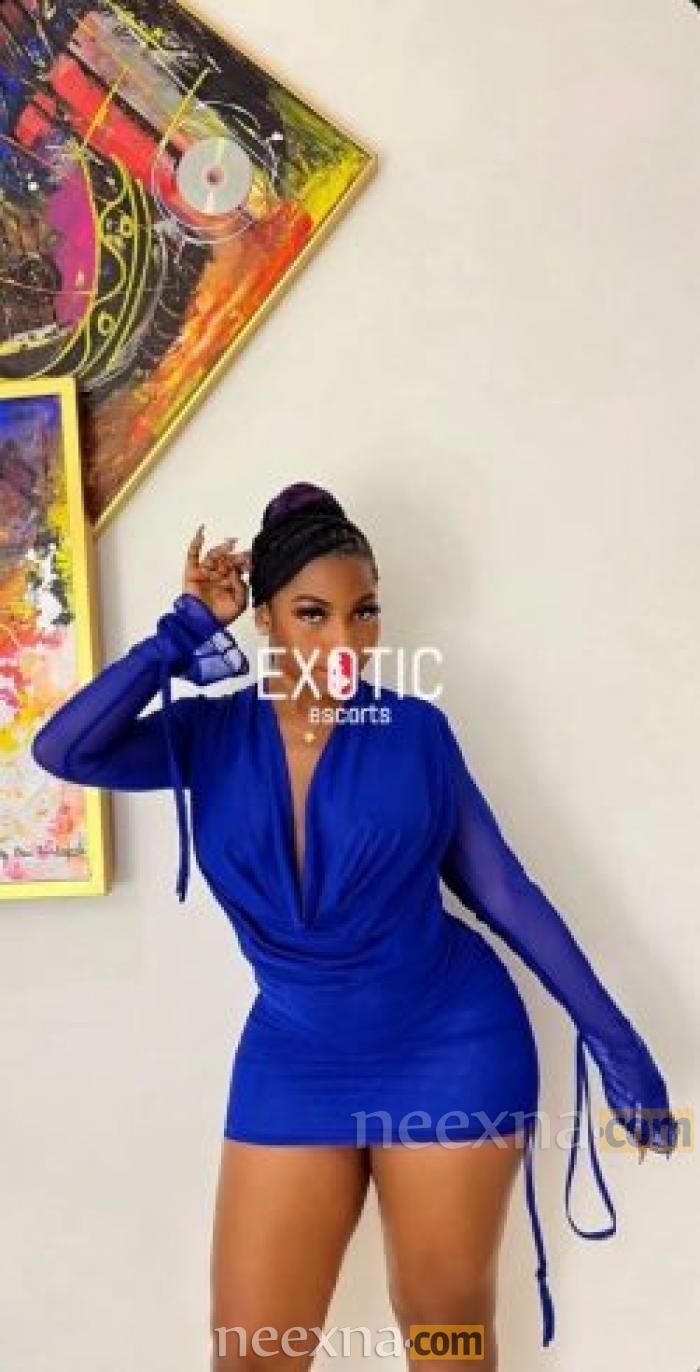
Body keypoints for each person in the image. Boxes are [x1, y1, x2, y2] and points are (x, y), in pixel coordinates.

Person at [31, 481, 677, 1370]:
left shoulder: (414, 731)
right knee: (252, 1349)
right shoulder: (211, 737)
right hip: (294, 1056)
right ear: (264, 618)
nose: (346, 641)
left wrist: (617, 1044)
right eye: (313, 614)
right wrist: (182, 633)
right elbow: (65, 750)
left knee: (444, 1330)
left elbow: (504, 892)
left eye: (364, 612)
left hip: (449, 1045)